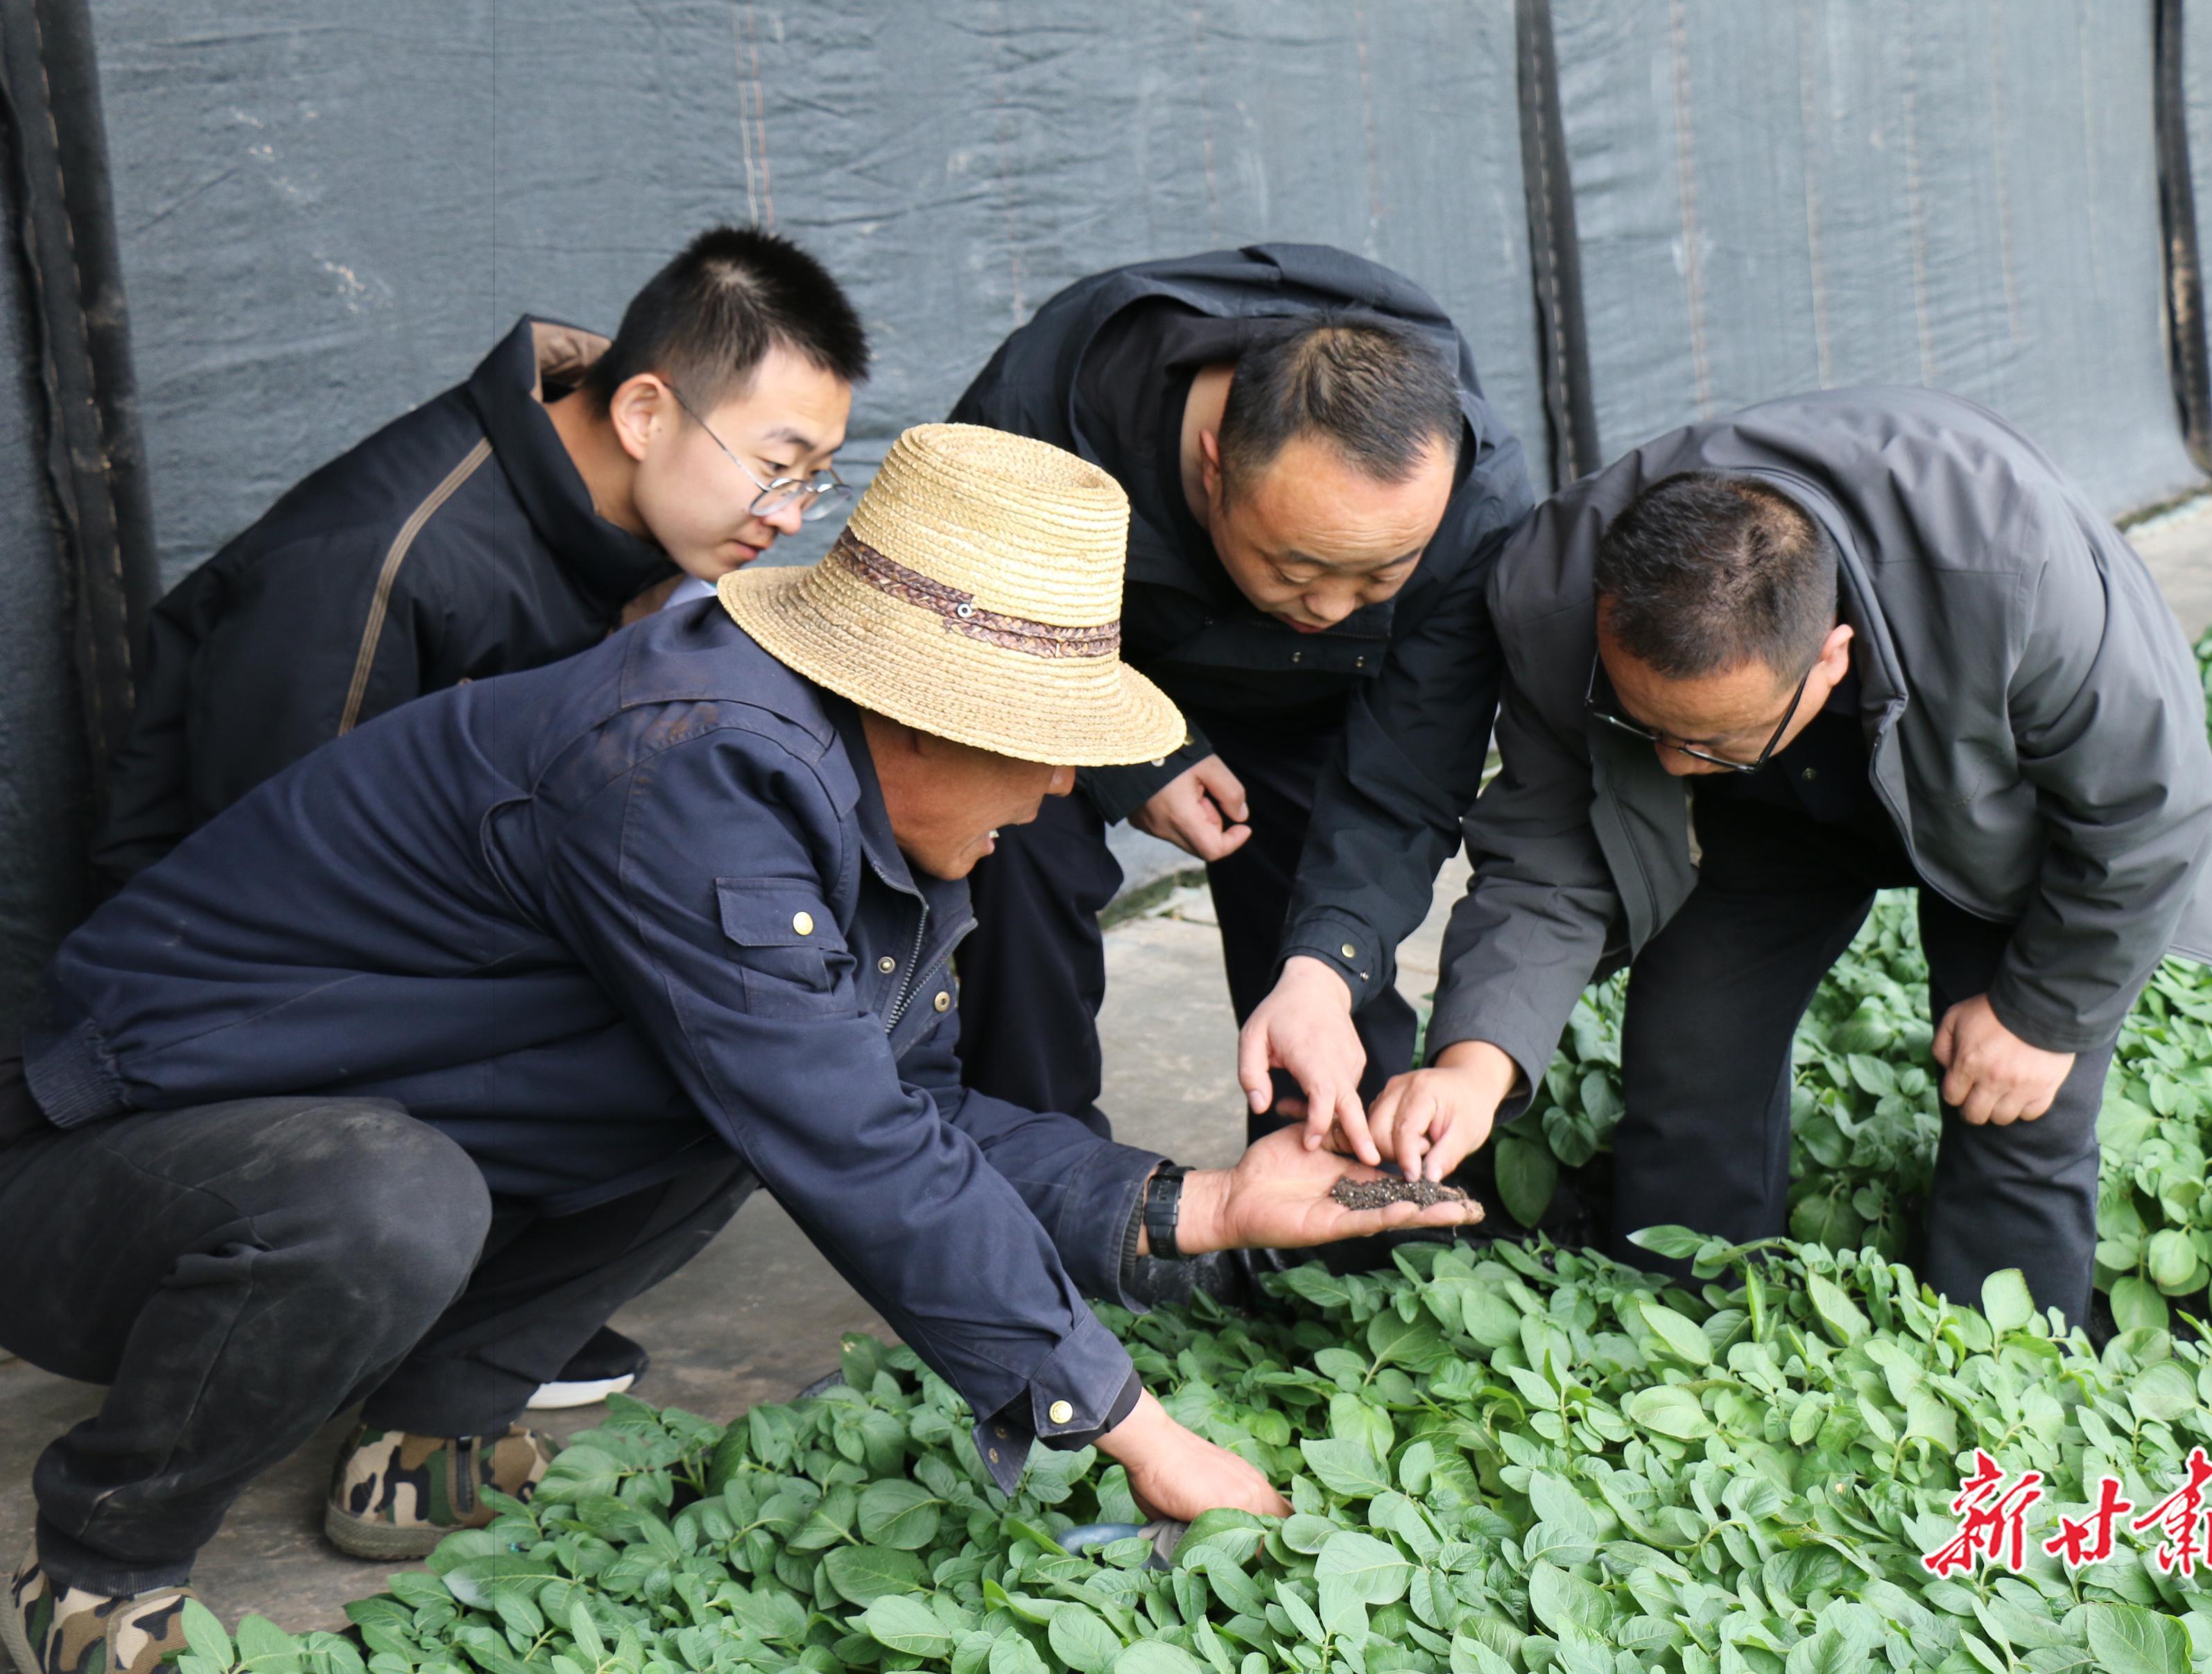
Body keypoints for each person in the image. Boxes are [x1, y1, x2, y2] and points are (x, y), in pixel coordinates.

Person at [0, 424, 1480, 1674]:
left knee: (719, 1099)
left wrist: (1202, 1205)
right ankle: (94, 1561)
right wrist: (1138, 1430)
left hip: (372, 1118)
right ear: (915, 705)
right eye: (1039, 739)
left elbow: (913, 1109)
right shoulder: (693, 759)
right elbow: (848, 1132)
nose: (1057, 786)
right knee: (401, 1195)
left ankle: (421, 1439)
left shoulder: (871, 807)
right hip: (109, 1172)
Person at [87, 225, 867, 1412]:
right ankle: (422, 1312)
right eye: (779, 465)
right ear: (646, 414)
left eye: (818, 476)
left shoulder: (641, 532)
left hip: (459, 919)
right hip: (236, 1001)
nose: (793, 514)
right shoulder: (379, 564)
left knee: (769, 1010)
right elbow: (274, 885)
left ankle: (493, 1317)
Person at [1345, 387, 2212, 1327]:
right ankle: (1683, 1339)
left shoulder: (2013, 564)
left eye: (1707, 739)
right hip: (1769, 809)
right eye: (1641, 723)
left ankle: (2003, 1388)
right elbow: (1548, 843)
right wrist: (1474, 1064)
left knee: (2018, 1107)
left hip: (1998, 794)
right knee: (1690, 1050)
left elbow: (2148, 812)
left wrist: (2044, 1016)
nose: (1669, 766)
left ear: (1830, 657)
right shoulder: (1556, 591)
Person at [947, 243, 1533, 1148]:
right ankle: (1040, 1186)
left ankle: (1339, 1233)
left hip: (1309, 706)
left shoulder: (1480, 506)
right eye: (1295, 567)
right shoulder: (1049, 408)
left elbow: (1406, 780)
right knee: (1011, 847)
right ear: (1215, 464)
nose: (1334, 607)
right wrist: (1133, 749)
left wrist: (1322, 970)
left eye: (1381, 575)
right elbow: (966, 632)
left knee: (1326, 967)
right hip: (1073, 681)